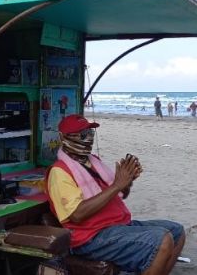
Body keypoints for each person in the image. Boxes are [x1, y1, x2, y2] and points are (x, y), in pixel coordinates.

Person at [46, 115, 185, 274]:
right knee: (162, 239)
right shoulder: (59, 172)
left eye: (91, 133)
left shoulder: (93, 162)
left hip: (116, 226)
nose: (89, 138)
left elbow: (120, 193)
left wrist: (127, 180)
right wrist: (117, 185)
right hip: (91, 237)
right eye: (83, 135)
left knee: (176, 231)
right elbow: (77, 214)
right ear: (64, 137)